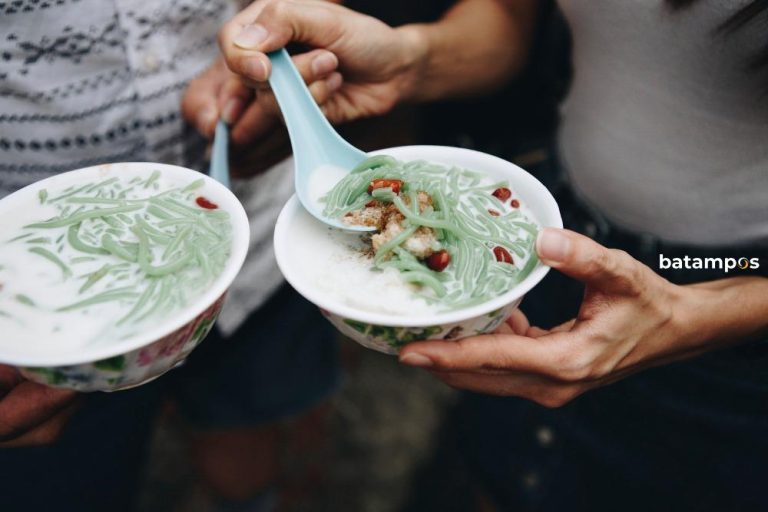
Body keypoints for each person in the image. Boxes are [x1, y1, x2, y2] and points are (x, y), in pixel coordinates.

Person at [218, 0, 768, 509]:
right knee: (491, 461)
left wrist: (700, 313)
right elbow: (509, 17)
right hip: (552, 233)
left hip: (724, 273)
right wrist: (413, 59)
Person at [0, 1, 341, 510]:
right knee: (73, 473)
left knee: (248, 420)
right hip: (45, 301)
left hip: (258, 244)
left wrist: (267, 39)